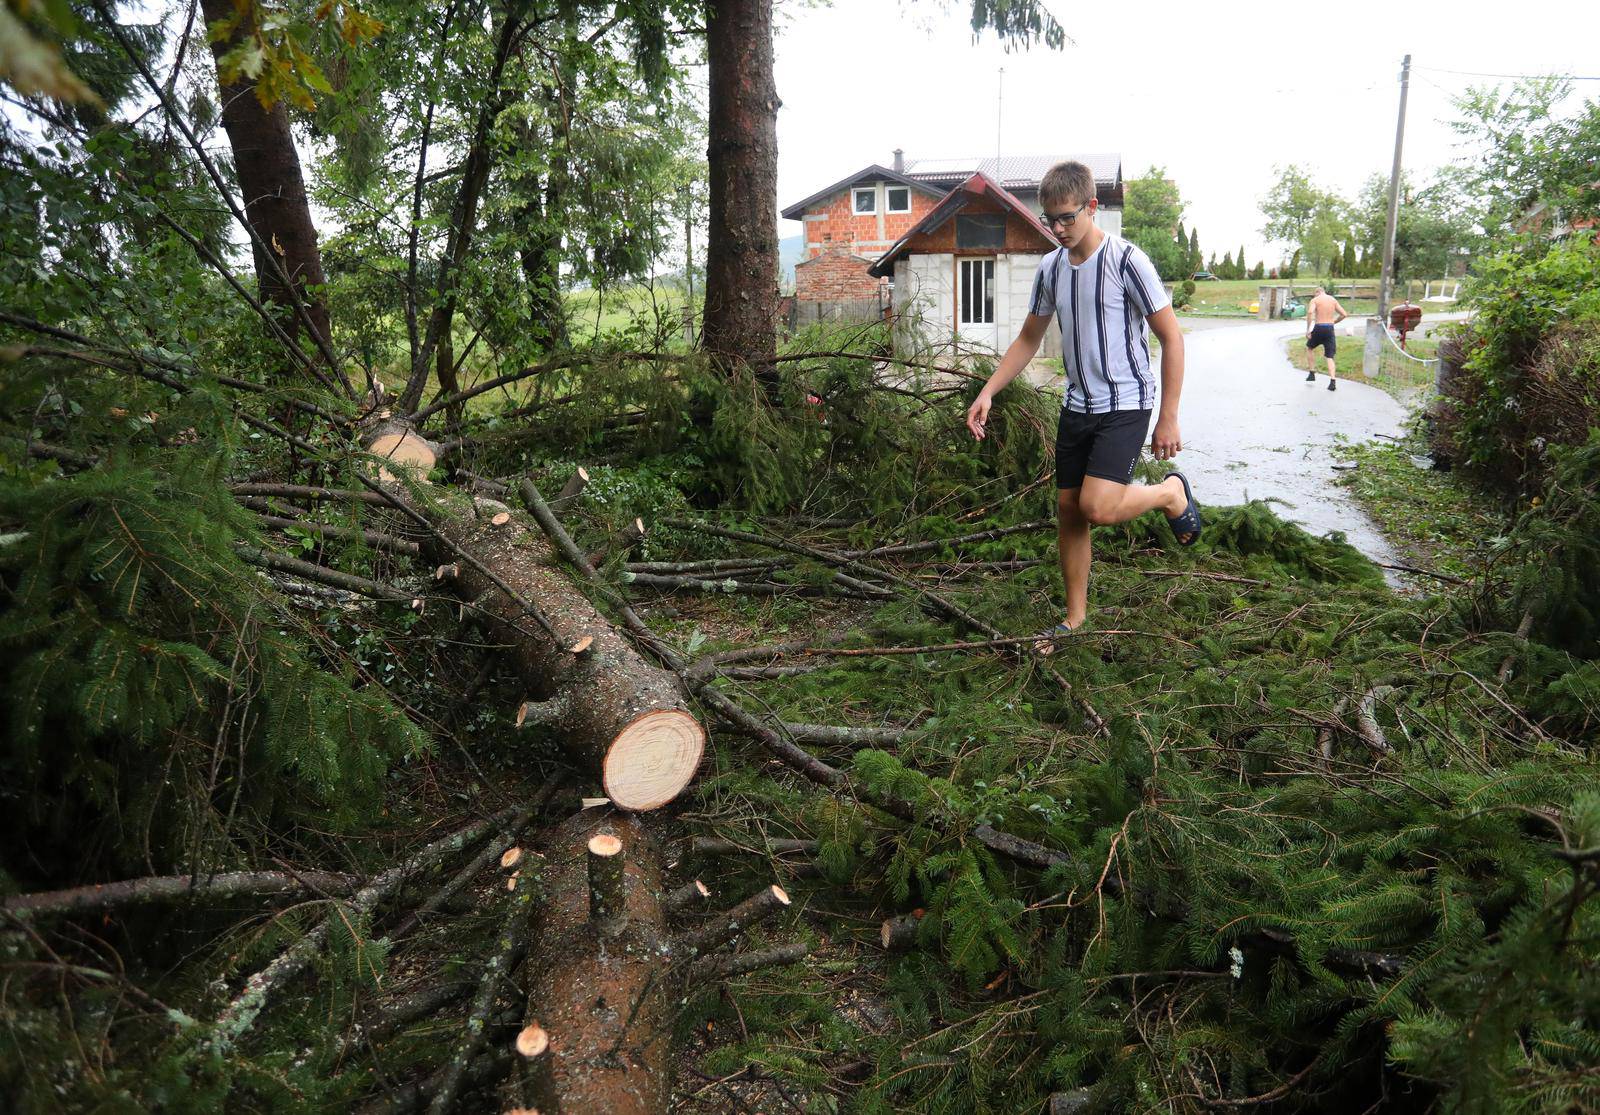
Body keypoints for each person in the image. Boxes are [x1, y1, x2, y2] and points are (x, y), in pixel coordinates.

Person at [964, 161, 1201, 649]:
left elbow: (1172, 339)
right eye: (1051, 218)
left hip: (1126, 402)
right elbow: (1029, 338)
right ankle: (1075, 618)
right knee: (1070, 512)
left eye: (1067, 217)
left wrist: (1168, 416)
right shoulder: (1051, 267)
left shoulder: (1127, 261)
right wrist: (988, 391)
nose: (1058, 228)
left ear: (1092, 208)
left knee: (1096, 506)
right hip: (1078, 405)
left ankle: (1169, 493)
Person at [1304, 286, 1349, 391]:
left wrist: (1308, 330)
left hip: (1319, 328)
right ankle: (1332, 381)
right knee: (1329, 356)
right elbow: (1344, 314)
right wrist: (1334, 321)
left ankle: (1312, 373)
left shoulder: (1315, 300)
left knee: (1309, 347)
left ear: (1317, 292)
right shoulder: (1332, 299)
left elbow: (1310, 312)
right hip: (1329, 328)